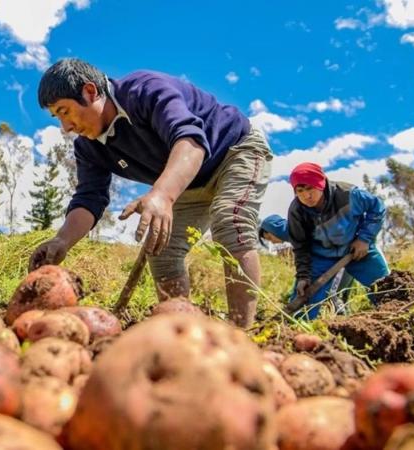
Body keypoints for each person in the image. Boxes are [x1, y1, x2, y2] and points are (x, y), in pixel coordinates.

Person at [28, 58, 273, 327]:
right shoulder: (88, 148)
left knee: (230, 222)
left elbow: (190, 141)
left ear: (89, 92)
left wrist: (163, 195)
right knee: (162, 249)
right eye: (57, 117)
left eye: (65, 111)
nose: (66, 127)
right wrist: (61, 240)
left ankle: (241, 334)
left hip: (234, 151)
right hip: (189, 182)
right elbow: (90, 198)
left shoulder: (145, 90)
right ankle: (180, 332)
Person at [286, 162, 390, 319]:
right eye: (299, 191)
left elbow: (377, 208)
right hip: (321, 258)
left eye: (310, 188)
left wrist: (364, 239)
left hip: (356, 250)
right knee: (303, 308)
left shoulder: (348, 195)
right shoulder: (297, 211)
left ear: (320, 184)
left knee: (387, 289)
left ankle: (397, 319)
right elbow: (301, 247)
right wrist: (303, 276)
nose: (306, 196)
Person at [259, 214, 355, 313]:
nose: (273, 243)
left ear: (274, 229)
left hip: (342, 259)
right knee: (337, 296)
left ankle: (344, 323)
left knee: (331, 294)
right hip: (345, 256)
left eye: (270, 237)